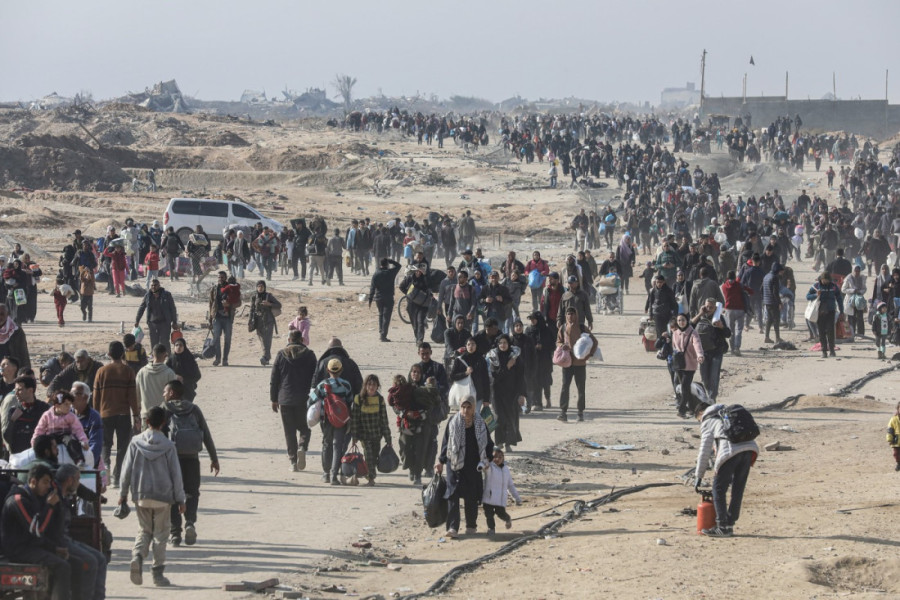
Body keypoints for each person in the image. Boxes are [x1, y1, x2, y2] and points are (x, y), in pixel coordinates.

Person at [119, 406, 186, 587]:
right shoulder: (169, 446)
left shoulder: (135, 442)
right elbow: (176, 474)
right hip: (163, 497)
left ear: (147, 422)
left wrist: (122, 494)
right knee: (161, 535)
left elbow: (126, 470)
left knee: (144, 530)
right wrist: (181, 499)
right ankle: (157, 574)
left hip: (141, 494)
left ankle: (138, 556)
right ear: (164, 423)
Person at [1, 463, 72, 599]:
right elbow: (38, 530)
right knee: (63, 567)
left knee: (66, 562)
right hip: (17, 550)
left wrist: (54, 548)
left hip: (29, 547)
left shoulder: (32, 498)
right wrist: (49, 506)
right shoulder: (18, 500)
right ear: (33, 481)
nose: (48, 486)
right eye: (45, 482)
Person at [162, 380, 219, 547]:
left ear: (172, 392)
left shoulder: (164, 409)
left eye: (165, 391)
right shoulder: (194, 409)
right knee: (192, 492)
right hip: (192, 457)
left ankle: (175, 534)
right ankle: (190, 523)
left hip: (171, 460)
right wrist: (214, 458)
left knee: (172, 494)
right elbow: (206, 434)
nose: (163, 394)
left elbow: (154, 434)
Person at [693, 402, 759, 537]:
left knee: (718, 488)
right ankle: (730, 523)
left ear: (701, 413)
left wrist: (698, 476)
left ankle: (723, 526)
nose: (700, 422)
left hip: (729, 452)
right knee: (738, 487)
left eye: (698, 420)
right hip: (749, 449)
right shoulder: (726, 412)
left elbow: (704, 450)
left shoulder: (708, 420)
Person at [435, 396, 493, 538]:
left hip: (473, 465)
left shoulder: (480, 423)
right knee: (452, 494)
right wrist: (440, 461)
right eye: (463, 407)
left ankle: (471, 525)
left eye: (469, 407)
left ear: (473, 408)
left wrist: (489, 459)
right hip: (454, 464)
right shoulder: (453, 422)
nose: (465, 411)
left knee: (471, 496)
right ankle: (453, 527)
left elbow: (488, 443)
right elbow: (446, 443)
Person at [52, 464, 107, 600]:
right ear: (70, 480)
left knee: (100, 558)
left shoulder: (63, 493)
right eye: (77, 479)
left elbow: (82, 491)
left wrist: (96, 497)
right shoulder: (54, 496)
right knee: (92, 561)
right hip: (58, 540)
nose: (78, 483)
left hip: (65, 538)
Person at [92, 341, 139, 488]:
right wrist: (136, 415)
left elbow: (96, 396)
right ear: (123, 354)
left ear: (109, 354)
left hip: (105, 414)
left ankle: (106, 465)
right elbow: (132, 396)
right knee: (122, 447)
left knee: (105, 444)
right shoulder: (128, 371)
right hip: (123, 414)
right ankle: (118, 476)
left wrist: (95, 414)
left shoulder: (101, 371)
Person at [270, 330, 317, 472]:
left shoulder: (281, 355)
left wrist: (273, 399)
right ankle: (302, 446)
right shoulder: (309, 355)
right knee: (304, 427)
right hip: (304, 398)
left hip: (285, 399)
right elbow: (316, 377)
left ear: (289, 339)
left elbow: (274, 379)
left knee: (289, 431)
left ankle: (293, 462)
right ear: (302, 339)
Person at [388, 368, 437, 485]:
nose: (415, 374)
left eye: (418, 372)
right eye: (413, 372)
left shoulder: (427, 389)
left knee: (420, 450)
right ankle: (410, 468)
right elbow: (395, 405)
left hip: (423, 423)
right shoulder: (403, 388)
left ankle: (417, 475)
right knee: (405, 449)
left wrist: (419, 414)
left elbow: (433, 405)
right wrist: (405, 413)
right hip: (406, 423)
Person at [309, 358, 354, 484]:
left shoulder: (322, 385)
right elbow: (350, 402)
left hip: (326, 420)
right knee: (337, 446)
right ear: (341, 370)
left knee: (327, 444)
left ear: (328, 370)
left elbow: (311, 400)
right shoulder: (346, 385)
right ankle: (334, 476)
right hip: (341, 420)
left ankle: (326, 474)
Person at [556, 307, 597, 422]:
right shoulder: (563, 328)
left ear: (577, 315)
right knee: (565, 387)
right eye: (568, 314)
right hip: (567, 363)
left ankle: (580, 412)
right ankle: (563, 412)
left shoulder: (582, 328)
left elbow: (594, 341)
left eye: (573, 314)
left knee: (580, 389)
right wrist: (561, 346)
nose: (570, 316)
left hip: (580, 364)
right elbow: (558, 341)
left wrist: (590, 355)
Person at [350, 374, 392, 486]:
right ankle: (371, 479)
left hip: (377, 435)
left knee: (374, 457)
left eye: (374, 384)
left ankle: (370, 476)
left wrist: (388, 439)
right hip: (364, 435)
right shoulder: (358, 399)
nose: (371, 387)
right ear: (365, 385)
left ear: (377, 386)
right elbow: (355, 419)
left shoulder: (380, 400)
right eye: (369, 384)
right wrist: (354, 437)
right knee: (368, 455)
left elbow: (384, 420)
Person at [487, 334, 524, 450]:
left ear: (509, 344)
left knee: (511, 418)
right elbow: (495, 377)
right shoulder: (493, 358)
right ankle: (499, 442)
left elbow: (521, 377)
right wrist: (507, 367)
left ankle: (508, 443)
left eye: (505, 343)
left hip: (512, 393)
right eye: (500, 343)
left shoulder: (515, 358)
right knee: (499, 417)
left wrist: (522, 394)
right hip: (497, 393)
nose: (503, 345)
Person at [32, 391, 90, 465]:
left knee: (72, 442)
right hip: (51, 436)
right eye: (66, 404)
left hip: (65, 436)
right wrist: (35, 441)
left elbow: (78, 429)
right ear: (57, 405)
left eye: (70, 405)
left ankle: (79, 460)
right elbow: (40, 429)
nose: (69, 407)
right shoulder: (47, 415)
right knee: (46, 444)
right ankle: (47, 461)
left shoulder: (70, 416)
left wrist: (84, 441)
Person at [693, 298, 731, 401]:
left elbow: (728, 334)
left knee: (714, 376)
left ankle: (712, 398)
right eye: (707, 306)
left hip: (717, 351)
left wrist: (721, 327)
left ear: (715, 308)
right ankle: (707, 395)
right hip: (703, 352)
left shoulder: (719, 318)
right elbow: (689, 326)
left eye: (711, 307)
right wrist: (700, 314)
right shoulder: (700, 317)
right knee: (704, 377)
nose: (709, 309)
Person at [3, 375, 50, 455]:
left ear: (30, 390)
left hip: (39, 456)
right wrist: (12, 421)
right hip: (19, 458)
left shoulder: (44, 409)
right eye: (15, 390)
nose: (16, 393)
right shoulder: (13, 411)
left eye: (20, 390)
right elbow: (7, 437)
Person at [481, 447, 521, 535]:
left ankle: (507, 519)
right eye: (495, 457)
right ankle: (491, 529)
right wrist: (485, 463)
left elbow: (510, 485)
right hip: (489, 497)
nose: (497, 459)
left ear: (503, 458)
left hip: (500, 498)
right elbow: (485, 467)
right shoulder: (490, 467)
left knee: (501, 513)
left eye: (500, 457)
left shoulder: (506, 470)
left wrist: (517, 498)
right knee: (489, 515)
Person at [672, 312, 705, 418]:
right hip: (679, 364)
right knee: (685, 388)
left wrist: (700, 355)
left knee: (685, 386)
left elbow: (697, 345)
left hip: (690, 364)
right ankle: (692, 408)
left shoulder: (693, 333)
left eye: (683, 320)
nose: (681, 322)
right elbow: (673, 347)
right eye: (679, 320)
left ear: (687, 321)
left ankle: (681, 410)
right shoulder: (675, 333)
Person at [135, 279, 179, 354]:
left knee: (164, 341)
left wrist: (174, 322)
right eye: (152, 285)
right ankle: (155, 357)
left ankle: (168, 356)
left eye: (155, 285)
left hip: (165, 323)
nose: (153, 287)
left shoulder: (167, 295)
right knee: (154, 342)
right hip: (152, 323)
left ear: (159, 286)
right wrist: (137, 320)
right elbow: (142, 308)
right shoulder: (148, 295)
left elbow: (173, 308)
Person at [135, 344, 176, 425]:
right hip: (164, 416)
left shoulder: (142, 372)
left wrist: (137, 411)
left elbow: (137, 394)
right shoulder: (169, 373)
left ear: (152, 355)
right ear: (165, 355)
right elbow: (173, 395)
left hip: (146, 415)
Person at [807, 271, 844, 358]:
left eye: (827, 280)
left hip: (831, 311)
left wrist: (841, 311)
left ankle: (832, 350)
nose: (825, 282)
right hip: (820, 312)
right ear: (821, 279)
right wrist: (816, 295)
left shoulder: (833, 286)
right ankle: (824, 351)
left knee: (831, 331)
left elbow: (839, 299)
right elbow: (808, 296)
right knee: (822, 332)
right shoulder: (816, 286)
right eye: (824, 280)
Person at [208, 271, 238, 367]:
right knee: (216, 338)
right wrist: (210, 318)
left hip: (228, 318)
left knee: (227, 339)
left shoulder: (231, 288)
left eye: (222, 277)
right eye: (219, 277)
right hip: (217, 317)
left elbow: (239, 302)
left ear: (225, 278)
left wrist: (229, 305)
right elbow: (211, 303)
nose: (220, 279)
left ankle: (225, 359)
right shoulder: (214, 288)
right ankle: (218, 358)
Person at [250, 280, 282, 366]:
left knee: (267, 339)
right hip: (258, 321)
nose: (260, 288)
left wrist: (269, 304)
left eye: (262, 286)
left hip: (268, 321)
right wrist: (250, 321)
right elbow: (252, 310)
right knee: (262, 339)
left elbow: (279, 305)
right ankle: (267, 357)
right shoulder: (254, 297)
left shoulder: (269, 296)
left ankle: (265, 357)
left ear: (264, 287)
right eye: (259, 286)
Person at [399, 264, 432, 345]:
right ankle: (417, 337)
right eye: (416, 270)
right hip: (411, 304)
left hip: (422, 304)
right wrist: (408, 294)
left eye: (420, 271)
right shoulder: (410, 278)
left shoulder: (425, 278)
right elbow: (401, 286)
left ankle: (420, 339)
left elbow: (430, 286)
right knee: (414, 322)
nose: (418, 272)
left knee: (420, 321)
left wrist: (425, 276)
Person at [720, 270, 749, 356]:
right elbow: (749, 291)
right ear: (735, 277)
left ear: (727, 277)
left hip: (729, 310)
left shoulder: (723, 286)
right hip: (740, 309)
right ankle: (737, 347)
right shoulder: (739, 285)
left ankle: (732, 349)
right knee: (739, 330)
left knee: (730, 330)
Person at [0, 303, 30, 369]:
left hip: (11, 370)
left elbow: (23, 354)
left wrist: (26, 372)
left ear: (7, 314)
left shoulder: (16, 331)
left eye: (2, 314)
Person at [762, 263, 784, 344]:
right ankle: (777, 338)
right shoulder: (775, 278)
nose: (782, 273)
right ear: (777, 271)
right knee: (776, 320)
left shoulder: (766, 276)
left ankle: (767, 337)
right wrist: (779, 303)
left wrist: (764, 298)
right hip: (773, 302)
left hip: (767, 301)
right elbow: (775, 292)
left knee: (769, 319)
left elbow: (761, 289)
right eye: (781, 271)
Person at [886, 401, 900, 470]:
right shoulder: (893, 419)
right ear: (898, 409)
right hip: (896, 440)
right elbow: (890, 430)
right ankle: (898, 463)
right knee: (896, 454)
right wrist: (889, 439)